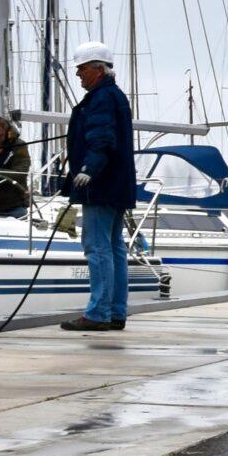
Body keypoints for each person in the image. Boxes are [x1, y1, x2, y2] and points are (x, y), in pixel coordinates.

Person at [60, 41, 136, 333]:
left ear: (96, 69)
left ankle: (98, 312)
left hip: (101, 185)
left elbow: (101, 137)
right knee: (115, 247)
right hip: (117, 184)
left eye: (81, 69)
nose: (78, 75)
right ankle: (116, 311)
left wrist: (88, 169)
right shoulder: (114, 95)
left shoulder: (101, 98)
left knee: (97, 247)